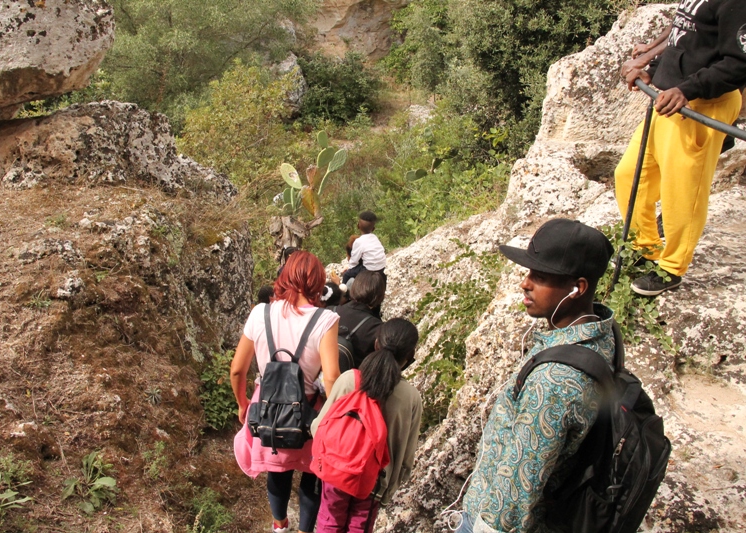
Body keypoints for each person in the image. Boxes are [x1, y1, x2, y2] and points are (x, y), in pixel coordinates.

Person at [458, 218, 616, 533]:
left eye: (540, 276)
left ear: (578, 288)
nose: (525, 283)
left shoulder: (555, 380)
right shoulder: (597, 331)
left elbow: (517, 489)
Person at [616, 0, 746, 296]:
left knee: (683, 189)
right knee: (630, 176)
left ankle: (672, 268)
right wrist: (654, 69)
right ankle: (645, 249)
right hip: (669, 97)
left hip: (700, 105)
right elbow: (684, 38)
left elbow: (739, 62)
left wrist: (687, 90)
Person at [230, 250, 340, 533]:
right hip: (308, 412)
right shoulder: (325, 320)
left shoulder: (260, 313)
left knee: (277, 472)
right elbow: (330, 377)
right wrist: (335, 416)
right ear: (319, 282)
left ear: (285, 276)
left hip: (268, 408)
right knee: (312, 476)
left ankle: (280, 526)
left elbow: (237, 370)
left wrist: (243, 403)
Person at [312, 318, 423, 533]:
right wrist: (390, 489)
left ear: (376, 344)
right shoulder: (411, 398)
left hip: (336, 470)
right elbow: (406, 460)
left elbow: (318, 426)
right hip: (375, 481)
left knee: (330, 521)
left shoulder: (349, 380)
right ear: (409, 357)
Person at [336, 271, 385, 367]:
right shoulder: (377, 328)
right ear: (380, 296)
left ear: (354, 288)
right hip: (353, 379)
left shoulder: (332, 311)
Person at [342, 211, 386, 286]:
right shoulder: (375, 238)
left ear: (358, 226)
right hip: (381, 268)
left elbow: (354, 261)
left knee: (346, 275)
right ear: (373, 229)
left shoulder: (359, 241)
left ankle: (343, 293)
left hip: (369, 270)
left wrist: (350, 269)